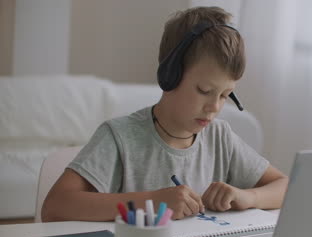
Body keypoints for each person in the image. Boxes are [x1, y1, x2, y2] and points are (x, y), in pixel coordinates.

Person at [42, 6, 288, 222]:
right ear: (170, 76)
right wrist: (153, 202)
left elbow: (286, 186)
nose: (214, 106)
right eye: (204, 90)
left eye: (225, 95)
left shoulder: (220, 138)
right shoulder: (119, 137)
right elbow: (55, 207)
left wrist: (248, 196)